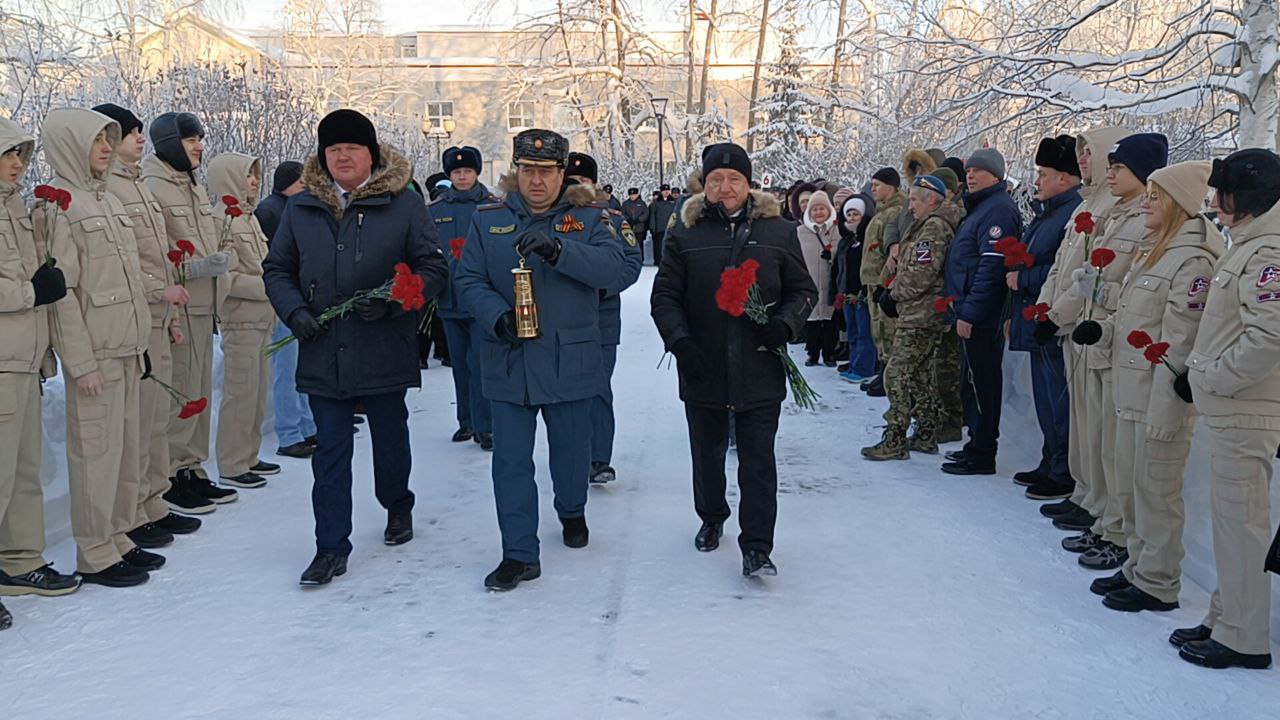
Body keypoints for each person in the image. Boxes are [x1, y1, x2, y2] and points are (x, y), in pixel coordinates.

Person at [263, 109, 448, 586]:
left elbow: (433, 268)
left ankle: (397, 504)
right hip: (324, 347)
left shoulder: (403, 204)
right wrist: (294, 311)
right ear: (323, 156)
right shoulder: (302, 207)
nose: (343, 157)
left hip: (383, 345)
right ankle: (330, 547)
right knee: (330, 451)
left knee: (389, 439)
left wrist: (393, 302)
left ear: (371, 154)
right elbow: (277, 269)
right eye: (334, 149)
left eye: (352, 148)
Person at [454, 129, 625, 591]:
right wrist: (496, 316)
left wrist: (561, 251)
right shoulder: (488, 218)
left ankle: (571, 509)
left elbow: (615, 269)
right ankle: (519, 553)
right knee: (510, 461)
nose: (536, 180)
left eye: (546, 171)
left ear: (561, 173)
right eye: (528, 170)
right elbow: (467, 279)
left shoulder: (589, 218)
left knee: (571, 451)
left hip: (569, 357)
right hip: (509, 356)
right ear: (516, 171)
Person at [651, 142, 817, 578]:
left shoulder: (778, 231)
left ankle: (757, 546)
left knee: (758, 460)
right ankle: (711, 515)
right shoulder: (685, 233)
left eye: (734, 179)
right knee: (707, 454)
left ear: (749, 184)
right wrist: (680, 343)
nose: (725, 187)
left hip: (759, 363)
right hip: (702, 363)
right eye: (715, 179)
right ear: (704, 184)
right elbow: (665, 296)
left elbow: (804, 290)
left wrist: (784, 325)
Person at [1071, 161, 1222, 614]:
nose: (1147, 204)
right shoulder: (1156, 250)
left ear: (1178, 203)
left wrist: (1164, 414)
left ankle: (1157, 580)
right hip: (1130, 393)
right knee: (1132, 489)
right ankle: (1137, 565)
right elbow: (1132, 316)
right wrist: (1103, 330)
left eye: (1156, 197)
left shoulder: (1192, 261)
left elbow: (1178, 344)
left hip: (1157, 401)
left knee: (1156, 493)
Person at [1174, 148, 1280, 670]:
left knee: (1242, 527)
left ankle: (1243, 636)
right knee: (1231, 524)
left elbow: (1270, 337)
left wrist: (1213, 376)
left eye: (1224, 193)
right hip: (1235, 408)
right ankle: (1226, 616)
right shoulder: (1251, 244)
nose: (1214, 203)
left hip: (1246, 409)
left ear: (1250, 196)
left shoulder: (1268, 252)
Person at [42, 108, 155, 587]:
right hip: (98, 354)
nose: (107, 148)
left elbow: (127, 280)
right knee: (96, 455)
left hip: (126, 347)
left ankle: (117, 534)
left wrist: (142, 340)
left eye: (109, 139)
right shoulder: (61, 207)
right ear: (71, 145)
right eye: (96, 141)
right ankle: (94, 551)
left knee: (125, 449)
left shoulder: (104, 200)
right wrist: (81, 363)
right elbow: (62, 294)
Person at [94, 103, 207, 541]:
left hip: (158, 318)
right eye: (130, 133)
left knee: (155, 418)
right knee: (138, 424)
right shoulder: (111, 190)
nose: (140, 139)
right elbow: (122, 265)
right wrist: (160, 293)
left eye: (140, 131)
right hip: (132, 318)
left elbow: (157, 255)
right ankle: (134, 511)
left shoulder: (137, 185)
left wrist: (170, 314)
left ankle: (153, 502)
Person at [1066, 133, 1168, 572]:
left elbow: (1127, 290)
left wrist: (1091, 292)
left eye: (1118, 167)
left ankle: (1116, 528)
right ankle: (1104, 517)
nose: (1108, 173)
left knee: (1114, 449)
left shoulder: (1146, 221)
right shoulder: (1111, 212)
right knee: (1097, 439)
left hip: (1120, 346)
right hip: (1098, 335)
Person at [0, 117, 82, 607]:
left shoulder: (15, 208)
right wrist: (31, 292)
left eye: (21, 155)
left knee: (23, 471)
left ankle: (19, 561)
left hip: (24, 360)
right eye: (8, 154)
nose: (18, 164)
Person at [1035, 127, 1132, 532]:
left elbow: (1091, 274)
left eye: (1091, 153)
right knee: (1083, 423)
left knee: (1098, 428)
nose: (1084, 160)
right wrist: (1046, 308)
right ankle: (1085, 492)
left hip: (1090, 327)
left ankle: (1099, 502)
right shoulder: (1085, 205)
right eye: (1082, 153)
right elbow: (1062, 266)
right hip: (1072, 327)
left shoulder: (1113, 207)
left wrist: (1058, 315)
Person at [142, 112, 238, 510]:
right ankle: (172, 474)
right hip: (179, 306)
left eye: (199, 138)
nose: (198, 146)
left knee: (198, 392)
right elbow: (153, 256)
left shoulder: (191, 186)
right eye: (190, 139)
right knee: (180, 393)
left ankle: (192, 467)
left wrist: (218, 261)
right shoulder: (154, 187)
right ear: (169, 143)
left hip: (203, 305)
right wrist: (196, 268)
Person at [862, 175, 961, 459]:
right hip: (921, 312)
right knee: (918, 375)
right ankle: (926, 433)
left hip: (920, 314)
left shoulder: (933, 228)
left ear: (932, 200)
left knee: (895, 374)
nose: (910, 206)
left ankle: (895, 437)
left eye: (915, 200)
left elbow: (920, 274)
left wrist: (893, 295)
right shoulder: (927, 224)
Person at [1008, 136, 1083, 501]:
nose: (1036, 181)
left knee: (1058, 402)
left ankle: (1062, 470)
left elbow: (1065, 271)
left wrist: (1023, 278)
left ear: (1064, 179)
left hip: (1054, 321)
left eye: (1043, 174)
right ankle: (1049, 460)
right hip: (1036, 319)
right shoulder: (1049, 213)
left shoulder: (1072, 214)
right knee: (1045, 398)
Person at [941, 148, 1023, 475]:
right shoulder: (980, 207)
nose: (971, 176)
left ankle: (983, 452)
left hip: (982, 316)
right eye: (969, 170)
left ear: (996, 176)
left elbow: (991, 269)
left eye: (979, 171)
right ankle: (975, 444)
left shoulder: (998, 210)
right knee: (973, 383)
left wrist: (971, 313)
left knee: (982, 384)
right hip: (969, 309)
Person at [565, 152, 644, 485]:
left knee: (598, 387)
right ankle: (571, 454)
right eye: (572, 181)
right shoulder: (551, 217)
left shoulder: (611, 218)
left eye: (584, 181)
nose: (578, 187)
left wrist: (602, 288)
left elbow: (631, 261)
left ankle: (598, 458)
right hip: (562, 320)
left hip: (602, 318)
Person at [208, 153, 278, 489]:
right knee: (241, 393)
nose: (254, 181)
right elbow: (229, 278)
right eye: (247, 175)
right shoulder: (221, 221)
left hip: (261, 320)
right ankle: (233, 463)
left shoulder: (248, 218)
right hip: (241, 321)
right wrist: (270, 287)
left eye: (255, 174)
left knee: (258, 393)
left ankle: (249, 454)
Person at [431, 145, 498, 450]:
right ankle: (466, 421)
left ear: (476, 173)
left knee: (480, 364)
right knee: (459, 364)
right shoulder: (436, 210)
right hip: (449, 299)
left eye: (467, 171)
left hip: (482, 300)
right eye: (456, 172)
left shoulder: (492, 207)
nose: (462, 176)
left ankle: (486, 426)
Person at [256, 161, 317, 460]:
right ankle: (290, 433)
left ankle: (307, 426)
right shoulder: (269, 211)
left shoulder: (293, 208)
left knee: (302, 367)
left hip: (299, 297)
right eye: (301, 182)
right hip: (284, 300)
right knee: (287, 370)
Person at [861, 168, 905, 397]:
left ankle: (889, 376)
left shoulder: (896, 212)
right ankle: (882, 371)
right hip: (872, 280)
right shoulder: (882, 211)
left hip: (883, 281)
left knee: (887, 329)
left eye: (877, 185)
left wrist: (883, 282)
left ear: (891, 186)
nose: (873, 189)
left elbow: (892, 252)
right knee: (877, 329)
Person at [832, 189, 876, 382]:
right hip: (847, 294)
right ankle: (854, 362)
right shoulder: (846, 241)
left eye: (855, 214)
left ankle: (864, 368)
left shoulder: (868, 239)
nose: (851, 217)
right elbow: (838, 269)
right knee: (852, 332)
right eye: (848, 214)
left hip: (862, 294)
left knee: (864, 332)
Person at [797, 190, 840, 366]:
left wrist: (832, 254)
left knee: (830, 322)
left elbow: (842, 252)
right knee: (812, 322)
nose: (818, 212)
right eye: (814, 209)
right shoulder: (800, 232)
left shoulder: (836, 230)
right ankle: (812, 354)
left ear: (829, 210)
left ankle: (829, 354)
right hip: (809, 284)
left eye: (822, 208)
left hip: (830, 283)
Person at [649, 184, 676, 267]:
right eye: (664, 191)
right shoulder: (656, 202)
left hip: (670, 228)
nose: (666, 192)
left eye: (668, 190)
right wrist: (652, 228)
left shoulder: (673, 202)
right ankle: (658, 260)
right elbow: (653, 216)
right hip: (659, 228)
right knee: (659, 246)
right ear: (661, 192)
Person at [622, 187, 649, 262]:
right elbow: (622, 213)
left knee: (639, 244)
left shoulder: (642, 203)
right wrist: (628, 219)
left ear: (637, 195)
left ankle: (640, 258)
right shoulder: (625, 204)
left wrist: (639, 220)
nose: (632, 196)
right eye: (631, 195)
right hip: (628, 228)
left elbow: (646, 214)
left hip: (639, 228)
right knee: (629, 244)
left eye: (634, 195)